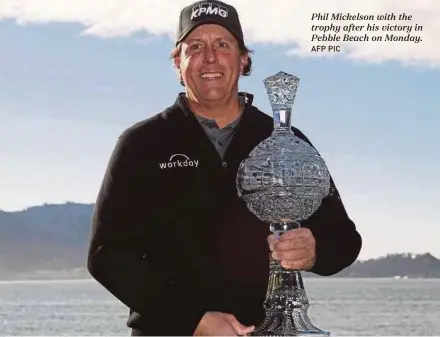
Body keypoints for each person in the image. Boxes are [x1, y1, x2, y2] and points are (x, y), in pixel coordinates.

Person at [86, 0, 363, 335]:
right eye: (196, 47)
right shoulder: (141, 144)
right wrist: (194, 320)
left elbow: (344, 241)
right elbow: (107, 256)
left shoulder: (288, 143)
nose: (210, 57)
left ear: (244, 59)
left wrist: (315, 249)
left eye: (223, 45)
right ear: (178, 62)